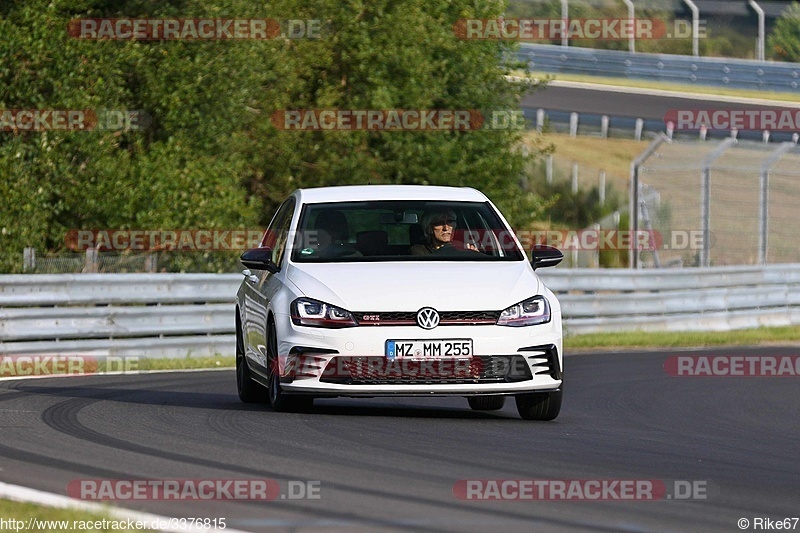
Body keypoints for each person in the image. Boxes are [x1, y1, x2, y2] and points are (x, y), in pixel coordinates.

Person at [410, 209, 477, 255]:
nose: (446, 228)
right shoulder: (419, 250)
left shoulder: (463, 247)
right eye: (440, 223)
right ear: (429, 228)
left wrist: (474, 256)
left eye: (450, 222)